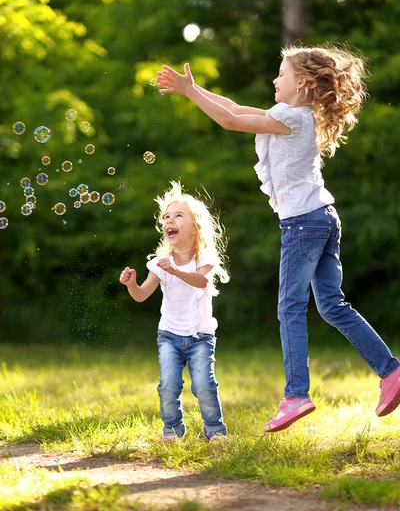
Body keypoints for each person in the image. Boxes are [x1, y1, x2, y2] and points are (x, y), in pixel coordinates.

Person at [155, 45, 400, 433]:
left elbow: (231, 121)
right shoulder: (291, 116)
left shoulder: (291, 117)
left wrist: (190, 93)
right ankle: (391, 372)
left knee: (289, 309)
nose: (274, 80)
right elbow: (235, 108)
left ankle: (297, 394)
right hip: (322, 218)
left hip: (303, 223)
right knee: (333, 306)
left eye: (281, 74)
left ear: (300, 82)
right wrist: (194, 88)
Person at [119, 180, 229, 441]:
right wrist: (131, 283)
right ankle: (172, 430)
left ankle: (215, 430)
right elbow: (142, 295)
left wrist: (178, 271)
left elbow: (201, 281)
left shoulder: (203, 259)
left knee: (203, 385)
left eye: (179, 215)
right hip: (169, 335)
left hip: (200, 337)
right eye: (167, 216)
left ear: (195, 228)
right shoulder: (160, 263)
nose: (170, 220)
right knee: (168, 386)